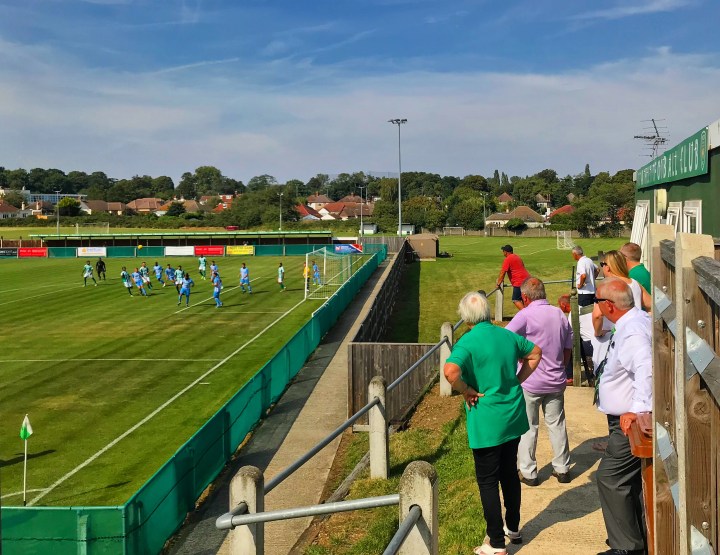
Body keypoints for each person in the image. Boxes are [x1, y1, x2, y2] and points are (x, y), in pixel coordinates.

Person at [443, 291, 542, 555]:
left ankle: (497, 542)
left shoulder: (467, 341)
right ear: (487, 313)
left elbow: (450, 371)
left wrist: (466, 390)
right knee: (509, 473)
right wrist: (518, 380)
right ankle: (514, 528)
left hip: (487, 420)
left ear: (466, 318)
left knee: (487, 481)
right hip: (512, 415)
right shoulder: (506, 335)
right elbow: (535, 353)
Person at [593, 278, 652, 555]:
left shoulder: (633, 331)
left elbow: (646, 367)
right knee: (628, 483)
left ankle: (627, 547)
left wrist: (639, 409)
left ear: (609, 306)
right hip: (624, 421)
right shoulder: (632, 322)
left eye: (596, 301)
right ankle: (632, 538)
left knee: (610, 478)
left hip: (629, 424)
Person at [506, 278, 573, 486]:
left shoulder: (524, 315)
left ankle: (528, 472)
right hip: (555, 380)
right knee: (557, 424)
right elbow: (568, 347)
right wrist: (561, 366)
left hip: (531, 381)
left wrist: (518, 357)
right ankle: (562, 468)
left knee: (528, 426)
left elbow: (506, 337)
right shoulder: (558, 314)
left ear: (525, 297)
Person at [593, 251, 651, 337]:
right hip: (635, 332)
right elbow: (651, 305)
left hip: (612, 335)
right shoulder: (635, 283)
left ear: (608, 267)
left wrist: (598, 332)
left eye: (602, 264)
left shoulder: (606, 286)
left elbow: (597, 315)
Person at [496, 245, 530, 311]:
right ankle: (530, 314)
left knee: (516, 299)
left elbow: (503, 272)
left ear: (505, 252)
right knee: (525, 299)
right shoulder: (517, 257)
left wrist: (498, 283)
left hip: (519, 282)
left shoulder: (507, 259)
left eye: (503, 251)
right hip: (528, 280)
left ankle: (526, 314)